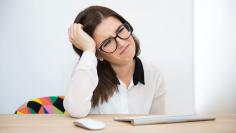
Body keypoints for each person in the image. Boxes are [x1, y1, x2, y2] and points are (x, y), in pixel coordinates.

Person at [63, 5, 166, 118]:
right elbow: (75, 111)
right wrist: (88, 50)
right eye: (107, 43)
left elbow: (158, 122)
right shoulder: (86, 72)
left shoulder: (153, 74)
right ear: (98, 54)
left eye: (121, 30)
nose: (122, 43)